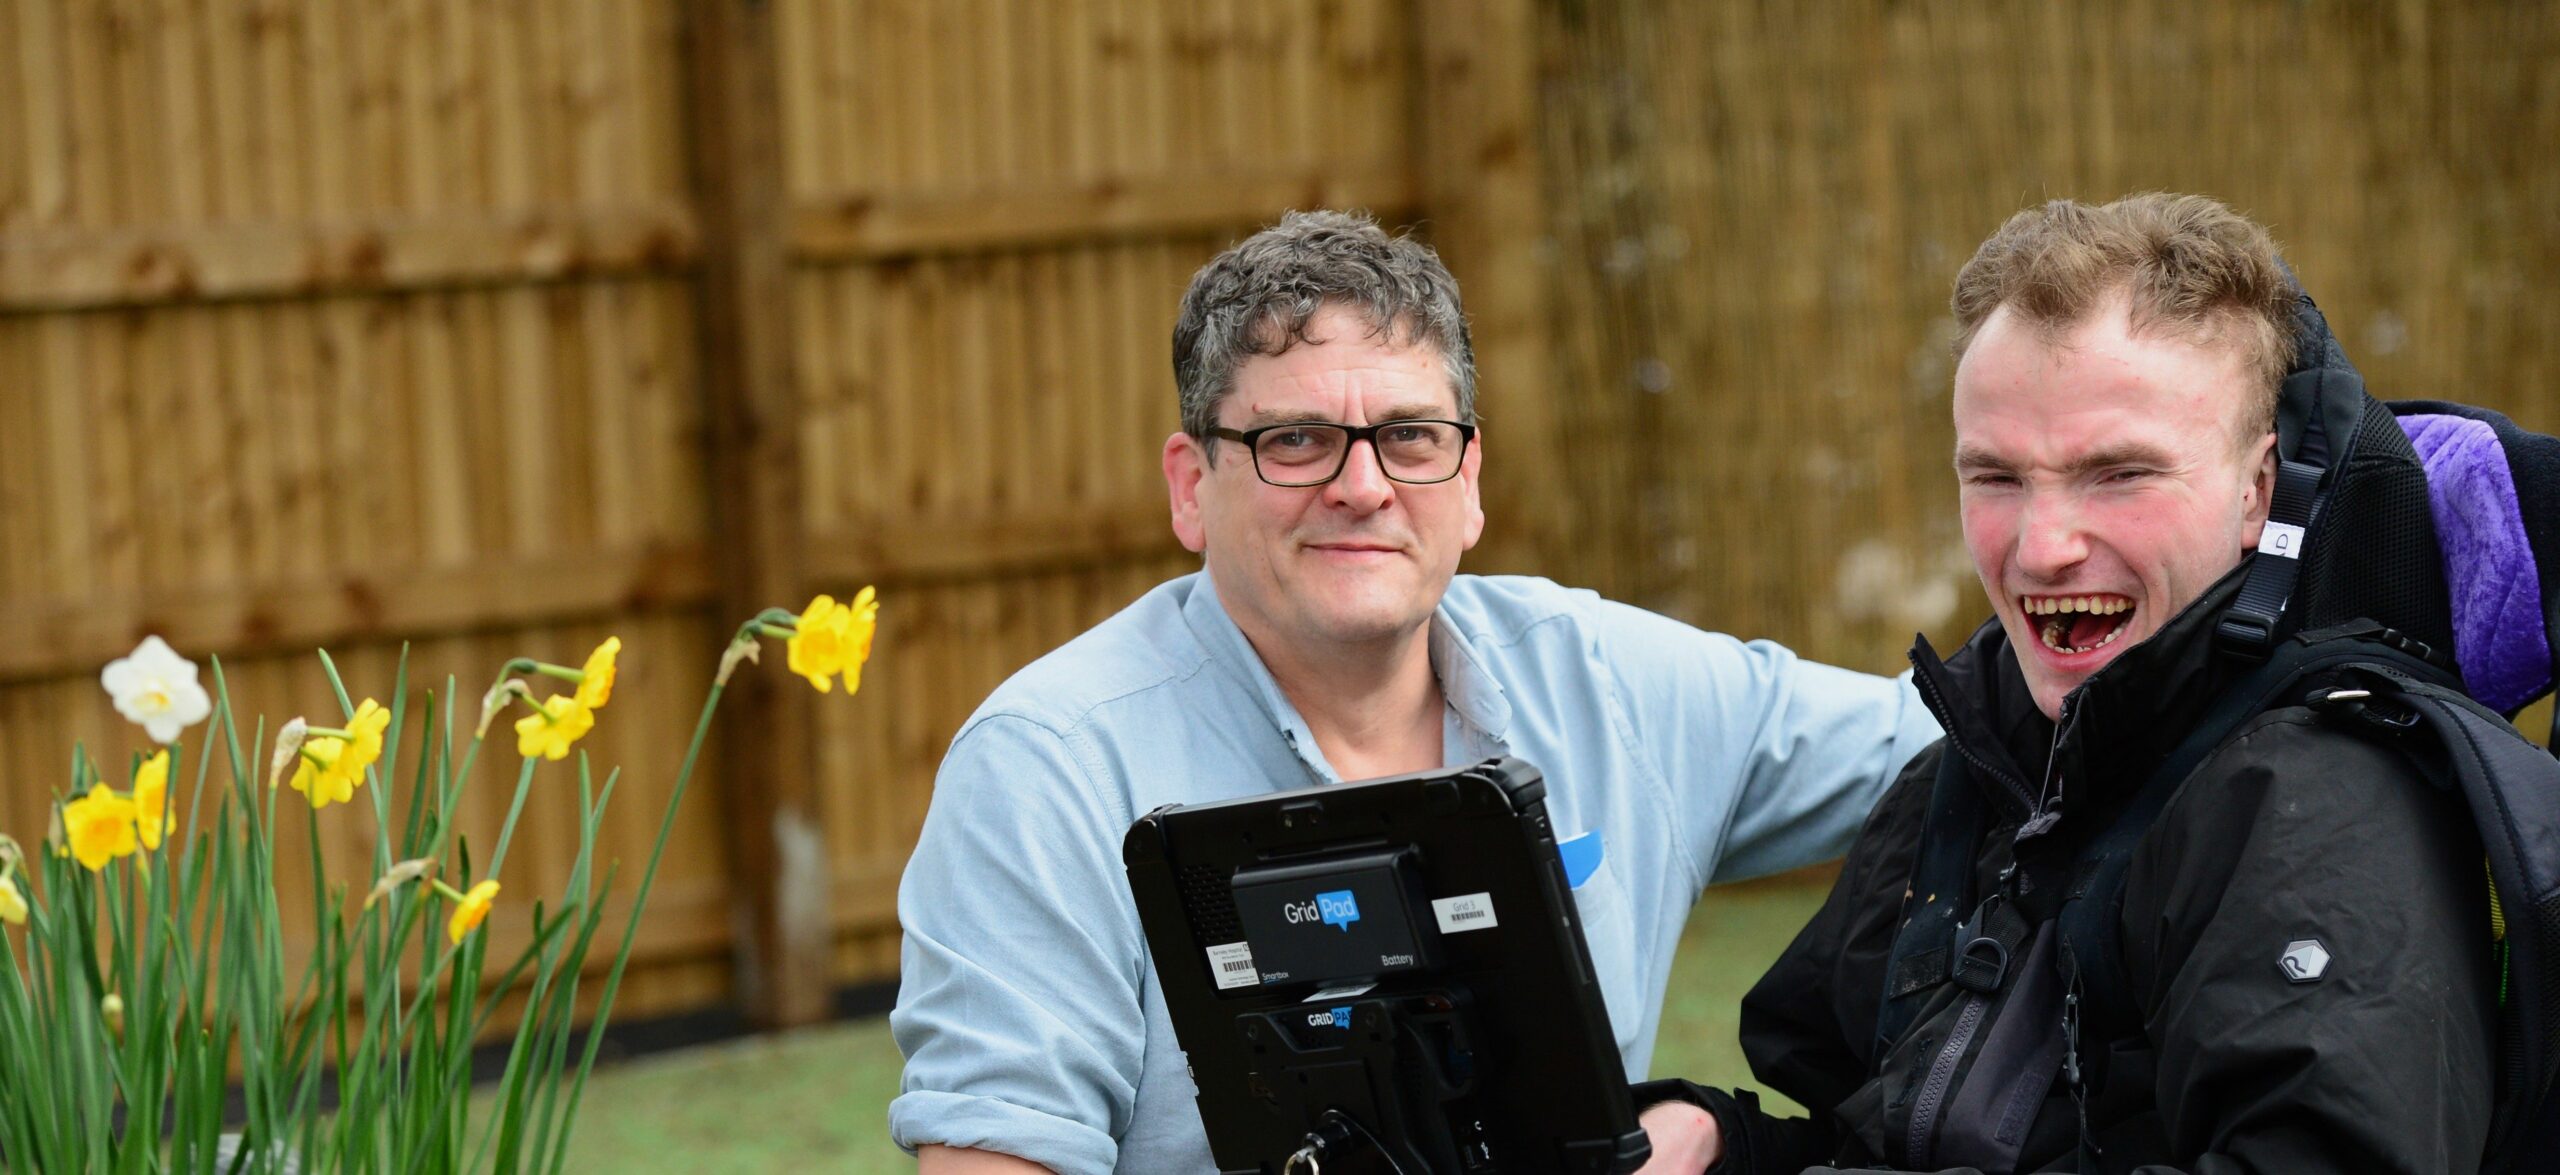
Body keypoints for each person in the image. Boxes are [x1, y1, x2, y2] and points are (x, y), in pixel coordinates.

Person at [889, 209, 1943, 1173]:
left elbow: (1965, 738)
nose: (1361, 485)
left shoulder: (1607, 682)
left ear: (1468, 478)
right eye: (1292, 440)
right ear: (1188, 486)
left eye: (1409, 435)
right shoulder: (1049, 765)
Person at [1640, 193, 2499, 1174]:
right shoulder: (1969, 768)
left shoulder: (2320, 804)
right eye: (1996, 477)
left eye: (2118, 473)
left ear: (2258, 490)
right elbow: (1865, 1132)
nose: (2042, 547)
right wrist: (1715, 1141)